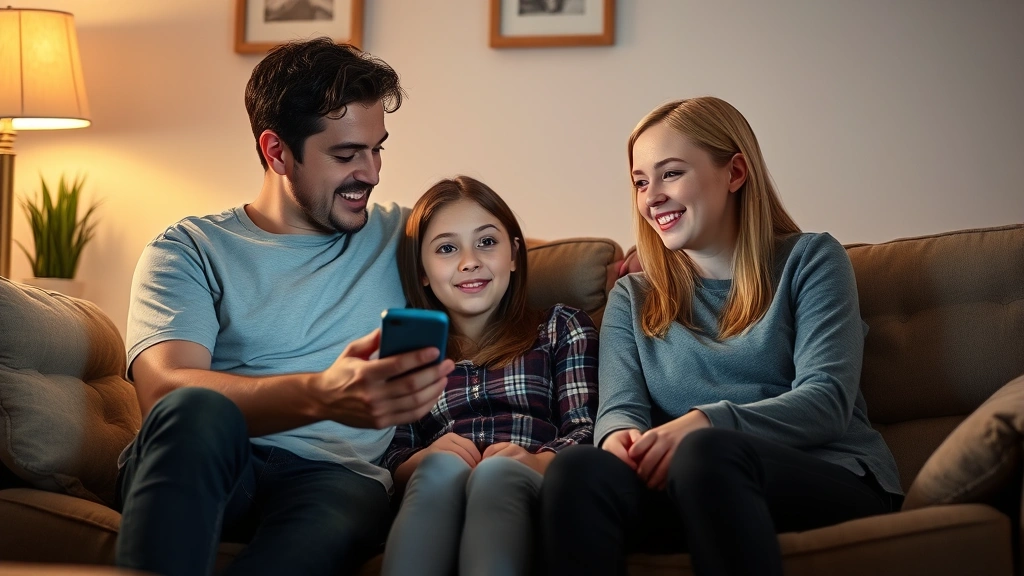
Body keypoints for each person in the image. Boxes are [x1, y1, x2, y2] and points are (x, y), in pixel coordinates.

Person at [115, 38, 455, 576]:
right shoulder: (188, 249)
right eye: (346, 155)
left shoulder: (406, 234)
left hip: (335, 478)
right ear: (276, 151)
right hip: (214, 461)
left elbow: (497, 249)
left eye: (378, 148)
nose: (371, 172)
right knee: (195, 411)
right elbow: (163, 392)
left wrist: (627, 261)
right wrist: (322, 395)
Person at [540, 97, 903, 576]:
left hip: (829, 475)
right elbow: (620, 409)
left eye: (670, 174)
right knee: (578, 470)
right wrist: (619, 441)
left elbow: (827, 401)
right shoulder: (632, 296)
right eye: (640, 182)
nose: (651, 197)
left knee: (706, 453)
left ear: (734, 173)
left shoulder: (811, 260)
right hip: (687, 482)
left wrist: (705, 423)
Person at [379, 176, 600, 576]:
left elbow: (585, 429)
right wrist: (422, 459)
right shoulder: (412, 350)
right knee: (439, 469)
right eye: (447, 248)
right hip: (439, 488)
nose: (470, 261)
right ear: (422, 271)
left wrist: (540, 461)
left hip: (527, 482)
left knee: (498, 473)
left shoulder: (561, 327)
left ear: (513, 253)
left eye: (486, 242)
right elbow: (393, 450)